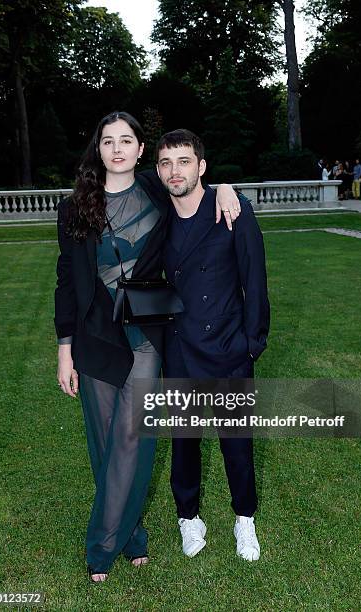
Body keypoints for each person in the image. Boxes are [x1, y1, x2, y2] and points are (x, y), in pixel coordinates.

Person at [54, 111, 241, 582]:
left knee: (132, 436)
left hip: (142, 332)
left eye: (127, 141)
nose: (117, 149)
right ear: (98, 150)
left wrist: (225, 189)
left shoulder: (159, 192)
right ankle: (132, 533)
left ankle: (100, 545)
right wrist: (64, 349)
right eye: (107, 141)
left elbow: (196, 191)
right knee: (104, 442)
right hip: (95, 334)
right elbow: (65, 281)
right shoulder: (73, 207)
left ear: (141, 151)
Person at [156, 129, 270, 561]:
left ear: (201, 166)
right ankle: (189, 517)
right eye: (166, 163)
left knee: (236, 443)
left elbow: (254, 280)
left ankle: (245, 519)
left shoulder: (232, 212)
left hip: (228, 348)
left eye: (184, 161)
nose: (174, 171)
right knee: (184, 441)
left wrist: (251, 344)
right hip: (180, 348)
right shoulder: (159, 215)